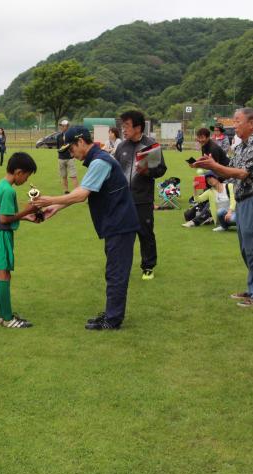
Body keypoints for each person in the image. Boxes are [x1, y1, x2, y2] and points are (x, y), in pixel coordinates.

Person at [33, 126, 140, 330]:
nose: (71, 154)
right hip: (116, 224)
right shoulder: (98, 159)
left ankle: (113, 319)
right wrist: (57, 207)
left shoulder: (100, 161)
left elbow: (81, 194)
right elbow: (86, 191)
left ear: (81, 142)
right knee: (113, 271)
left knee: (116, 272)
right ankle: (111, 314)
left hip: (120, 224)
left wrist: (49, 200)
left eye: (71, 149)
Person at [192, 107, 253, 307]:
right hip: (244, 200)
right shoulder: (240, 146)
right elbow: (229, 172)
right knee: (247, 248)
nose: (234, 125)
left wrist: (214, 166)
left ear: (251, 124)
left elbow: (241, 173)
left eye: (238, 121)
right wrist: (210, 165)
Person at [0, 152, 39, 328]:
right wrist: (28, 210)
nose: (26, 180)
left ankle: (2, 315)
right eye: (27, 175)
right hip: (1, 236)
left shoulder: (1, 184)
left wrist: (25, 218)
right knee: (4, 275)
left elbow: (2, 215)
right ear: (18, 172)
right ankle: (8, 318)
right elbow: (5, 219)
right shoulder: (8, 190)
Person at [114, 110, 167, 281]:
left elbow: (161, 170)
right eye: (122, 126)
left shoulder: (151, 146)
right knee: (122, 235)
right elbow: (115, 169)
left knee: (145, 234)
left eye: (127, 126)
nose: (124, 129)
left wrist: (147, 171)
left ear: (138, 127)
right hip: (123, 199)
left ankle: (148, 266)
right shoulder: (121, 146)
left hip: (142, 199)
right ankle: (122, 266)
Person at [55, 119, 78, 194]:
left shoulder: (72, 136)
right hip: (61, 158)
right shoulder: (58, 136)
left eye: (63, 125)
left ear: (67, 126)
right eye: (61, 125)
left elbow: (75, 145)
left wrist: (73, 154)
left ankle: (76, 192)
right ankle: (66, 190)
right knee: (63, 176)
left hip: (70, 158)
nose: (61, 127)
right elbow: (58, 147)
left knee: (73, 176)